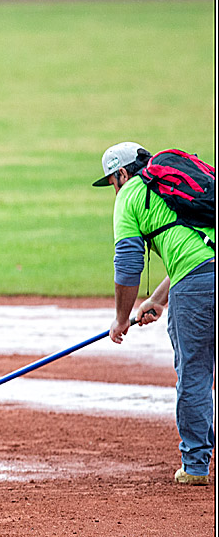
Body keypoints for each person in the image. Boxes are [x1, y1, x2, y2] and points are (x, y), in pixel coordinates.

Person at [94, 141, 215, 485]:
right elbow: (196, 250)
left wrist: (121, 318)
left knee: (194, 371)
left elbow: (128, 265)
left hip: (200, 284)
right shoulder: (175, 188)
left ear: (120, 174)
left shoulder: (130, 196)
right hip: (199, 273)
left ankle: (194, 465)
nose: (113, 190)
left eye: (111, 182)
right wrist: (159, 300)